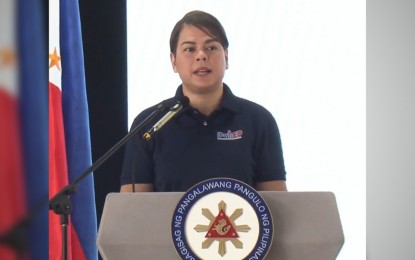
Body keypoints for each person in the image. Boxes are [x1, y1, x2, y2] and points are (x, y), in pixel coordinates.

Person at [120, 10, 287, 192]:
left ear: (227, 57)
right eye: (190, 49)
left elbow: (276, 206)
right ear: (173, 61)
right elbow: (133, 211)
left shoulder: (258, 121)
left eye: (211, 47)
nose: (201, 56)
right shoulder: (149, 125)